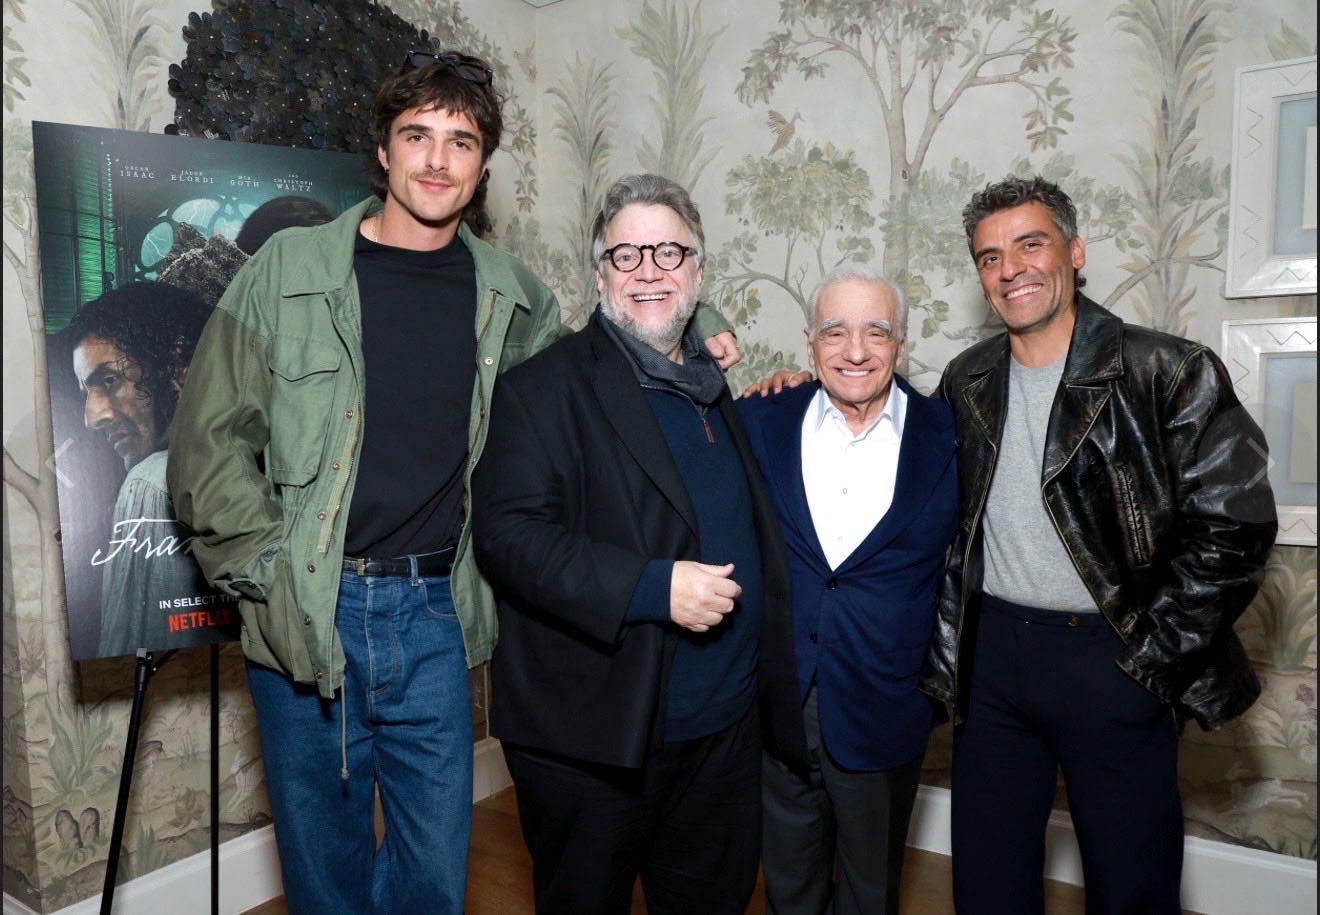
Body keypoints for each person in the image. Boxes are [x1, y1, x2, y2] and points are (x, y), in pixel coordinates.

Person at [167, 52, 737, 914]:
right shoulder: (288, 269)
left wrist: (699, 322)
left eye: (461, 142)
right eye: (417, 136)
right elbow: (206, 445)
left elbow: (605, 354)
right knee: (325, 874)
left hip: (438, 614)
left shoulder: (512, 295)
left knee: (433, 876)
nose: (437, 160)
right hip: (308, 607)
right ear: (384, 151)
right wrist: (267, 575)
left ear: (481, 167)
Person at [922, 175, 1277, 913]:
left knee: (1131, 889)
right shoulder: (967, 379)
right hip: (992, 665)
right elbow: (909, 475)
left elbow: (1236, 526)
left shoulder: (1168, 370)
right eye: (990, 257)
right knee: (987, 887)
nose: (1010, 269)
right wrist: (803, 392)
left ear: (1075, 251)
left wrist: (1154, 658)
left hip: (1115, 656)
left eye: (1031, 244)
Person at [471, 173, 807, 914]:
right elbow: (507, 537)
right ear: (600, 275)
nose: (649, 271)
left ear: (698, 272)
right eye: (626, 255)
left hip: (723, 738)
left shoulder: (713, 386)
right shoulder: (541, 389)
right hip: (596, 744)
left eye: (669, 252)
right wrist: (653, 587)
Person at [737, 268, 958, 915]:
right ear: (809, 342)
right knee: (789, 884)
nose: (855, 350)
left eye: (876, 332)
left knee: (870, 891)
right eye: (835, 332)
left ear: (902, 344)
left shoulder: (950, 437)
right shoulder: (758, 421)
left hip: (886, 706)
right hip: (780, 702)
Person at [65, 281, 231, 657]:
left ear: (178, 363)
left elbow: (128, 656)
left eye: (110, 380)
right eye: (86, 392)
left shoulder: (150, 482)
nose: (92, 417)